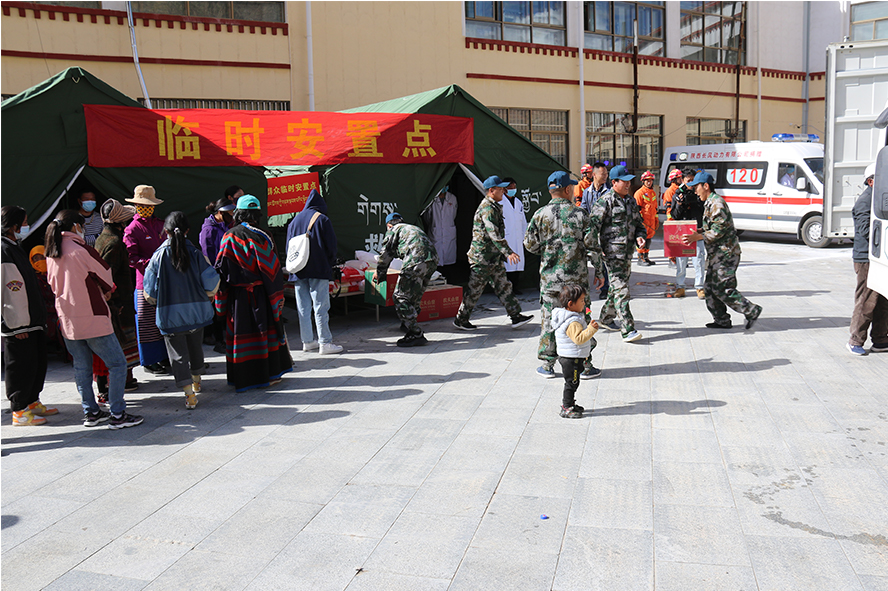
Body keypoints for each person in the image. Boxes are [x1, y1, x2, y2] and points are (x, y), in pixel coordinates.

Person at [45, 209, 143, 429]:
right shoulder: (81, 250)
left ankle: (91, 412)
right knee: (117, 364)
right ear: (76, 227)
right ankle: (117, 413)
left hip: (67, 318)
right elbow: (105, 274)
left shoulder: (51, 251)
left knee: (81, 368)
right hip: (92, 315)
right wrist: (107, 291)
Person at [524, 170, 603, 379]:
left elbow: (530, 245)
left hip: (550, 281)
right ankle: (585, 366)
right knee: (581, 320)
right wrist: (599, 271)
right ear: (567, 189)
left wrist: (549, 251)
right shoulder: (581, 215)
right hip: (576, 283)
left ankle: (547, 365)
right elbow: (593, 246)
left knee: (549, 320)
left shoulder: (540, 214)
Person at [215, 195, 293, 391]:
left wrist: (220, 302)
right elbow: (273, 271)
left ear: (238, 213)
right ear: (257, 214)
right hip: (262, 295)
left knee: (242, 337)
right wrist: (276, 298)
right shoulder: (264, 236)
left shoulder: (229, 236)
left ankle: (245, 379)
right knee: (265, 334)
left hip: (238, 298)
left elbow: (222, 271)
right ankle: (271, 375)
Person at [144, 212, 220, 408]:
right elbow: (211, 279)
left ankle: (189, 395)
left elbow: (149, 290)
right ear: (187, 230)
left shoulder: (158, 255)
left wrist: (155, 301)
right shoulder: (195, 253)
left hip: (170, 315)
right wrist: (209, 295)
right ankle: (197, 381)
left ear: (165, 231)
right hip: (197, 312)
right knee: (195, 348)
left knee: (177, 355)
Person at [682, 172, 762, 330]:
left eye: (697, 187)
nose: (695, 191)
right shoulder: (709, 203)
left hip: (726, 255)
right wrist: (698, 231)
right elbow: (711, 227)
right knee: (710, 289)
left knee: (723, 288)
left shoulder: (717, 204)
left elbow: (718, 231)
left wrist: (697, 236)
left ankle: (751, 310)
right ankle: (722, 320)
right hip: (716, 255)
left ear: (706, 186)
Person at [452, 175, 533, 330]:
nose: (504, 191)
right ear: (491, 191)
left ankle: (515, 316)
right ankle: (461, 319)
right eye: (500, 189)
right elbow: (493, 234)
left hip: (493, 257)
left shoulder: (495, 206)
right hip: (482, 258)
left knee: (504, 286)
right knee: (474, 290)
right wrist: (508, 252)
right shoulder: (488, 209)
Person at [2, 206, 57, 426]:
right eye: (24, 223)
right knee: (20, 367)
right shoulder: (3, 250)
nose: (26, 226)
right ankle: (19, 410)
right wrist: (17, 325)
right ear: (13, 226)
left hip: (32, 320)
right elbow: (10, 289)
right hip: (19, 324)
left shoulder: (14, 246)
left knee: (36, 363)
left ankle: (32, 401)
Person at [587, 165, 647, 343]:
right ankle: (628, 329)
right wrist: (597, 251)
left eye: (629, 181)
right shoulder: (604, 202)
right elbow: (592, 230)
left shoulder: (630, 201)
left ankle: (606, 318)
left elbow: (639, 225)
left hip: (627, 254)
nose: (628, 184)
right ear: (614, 182)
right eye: (624, 181)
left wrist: (640, 237)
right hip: (612, 255)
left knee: (617, 289)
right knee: (622, 290)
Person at [286, 188, 344, 354]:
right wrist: (330, 263)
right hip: (318, 268)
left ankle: (307, 341)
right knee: (320, 306)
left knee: (303, 308)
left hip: (298, 269)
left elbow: (289, 247)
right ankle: (325, 342)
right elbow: (331, 246)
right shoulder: (322, 219)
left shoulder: (294, 221)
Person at [93, 199, 140, 402]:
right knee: (120, 343)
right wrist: (115, 301)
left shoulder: (102, 238)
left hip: (116, 300)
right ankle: (117, 383)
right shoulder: (114, 243)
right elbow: (107, 276)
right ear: (120, 222)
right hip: (118, 302)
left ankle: (115, 382)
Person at [372, 212, 439, 347]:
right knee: (415, 294)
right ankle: (407, 323)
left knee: (399, 296)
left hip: (415, 260)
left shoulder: (394, 230)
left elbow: (385, 254)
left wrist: (379, 273)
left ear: (389, 225)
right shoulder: (411, 227)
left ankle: (415, 332)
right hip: (432, 260)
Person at [124, 185, 169, 375]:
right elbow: (131, 257)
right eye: (142, 205)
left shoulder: (161, 225)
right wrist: (152, 263)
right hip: (145, 283)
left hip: (166, 281)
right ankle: (149, 360)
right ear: (136, 206)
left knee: (164, 321)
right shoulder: (132, 229)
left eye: (149, 205)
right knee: (146, 323)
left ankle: (166, 357)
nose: (146, 208)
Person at [847, 164, 888, 355]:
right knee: (866, 300)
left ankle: (880, 340)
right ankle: (855, 340)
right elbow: (865, 230)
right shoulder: (865, 202)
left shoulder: (879, 200)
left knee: (882, 301)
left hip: (879, 256)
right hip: (866, 258)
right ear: (871, 181)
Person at [551, 284, 599, 419]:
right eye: (582, 300)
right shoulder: (573, 322)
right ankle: (566, 407)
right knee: (572, 383)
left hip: (570, 356)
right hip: (571, 358)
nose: (584, 303)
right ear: (571, 304)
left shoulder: (568, 316)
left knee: (572, 382)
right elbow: (578, 339)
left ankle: (570, 404)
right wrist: (591, 330)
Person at [199, 197, 235, 353]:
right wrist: (216, 275)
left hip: (225, 273)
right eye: (229, 213)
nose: (232, 215)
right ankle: (218, 341)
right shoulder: (208, 230)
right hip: (215, 276)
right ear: (220, 213)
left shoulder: (225, 226)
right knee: (216, 310)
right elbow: (208, 256)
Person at [671, 167, 706, 299]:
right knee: (681, 262)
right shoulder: (678, 193)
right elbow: (674, 215)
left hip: (697, 232)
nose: (691, 183)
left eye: (693, 180)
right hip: (683, 232)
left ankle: (699, 287)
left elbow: (704, 210)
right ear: (682, 180)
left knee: (699, 261)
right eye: (688, 181)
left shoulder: (699, 193)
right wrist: (680, 204)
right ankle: (680, 287)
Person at [580, 162, 612, 299]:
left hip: (606, 231)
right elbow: (583, 209)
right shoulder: (587, 192)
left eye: (606, 174)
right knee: (595, 258)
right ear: (594, 175)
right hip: (592, 232)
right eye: (602, 174)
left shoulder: (610, 191)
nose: (605, 176)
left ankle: (606, 288)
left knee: (606, 260)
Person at [29, 245, 66, 357]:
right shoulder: (32, 279)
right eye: (36, 259)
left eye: (42, 257)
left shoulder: (58, 273)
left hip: (63, 308)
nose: (40, 261)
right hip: (44, 312)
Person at [502, 177, 527, 294]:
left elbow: (523, 221)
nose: (513, 189)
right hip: (507, 238)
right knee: (507, 265)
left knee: (517, 264)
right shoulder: (500, 202)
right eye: (510, 187)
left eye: (514, 187)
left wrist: (524, 236)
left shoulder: (518, 202)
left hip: (518, 237)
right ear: (504, 189)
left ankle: (515, 287)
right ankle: (507, 289)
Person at [426, 185, 458, 269]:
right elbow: (428, 217)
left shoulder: (452, 198)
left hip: (448, 232)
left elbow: (453, 215)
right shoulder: (432, 199)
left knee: (449, 263)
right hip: (435, 232)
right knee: (436, 262)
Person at [634, 170, 660, 266]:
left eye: (651, 180)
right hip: (643, 221)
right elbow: (637, 209)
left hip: (651, 221)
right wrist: (639, 221)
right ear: (643, 181)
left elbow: (655, 208)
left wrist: (656, 220)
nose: (649, 182)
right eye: (647, 180)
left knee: (648, 239)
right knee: (642, 239)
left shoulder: (652, 193)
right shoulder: (639, 193)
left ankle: (646, 257)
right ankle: (640, 258)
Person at [662, 168, 683, 268]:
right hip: (672, 220)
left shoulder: (679, 189)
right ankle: (672, 260)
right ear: (674, 179)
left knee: (679, 241)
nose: (681, 179)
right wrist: (671, 220)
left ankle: (678, 259)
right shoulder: (670, 191)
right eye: (679, 178)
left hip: (678, 219)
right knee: (672, 241)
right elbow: (669, 207)